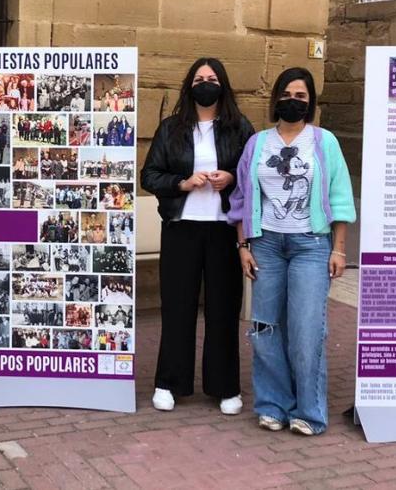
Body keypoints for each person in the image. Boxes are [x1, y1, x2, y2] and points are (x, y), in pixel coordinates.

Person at [228, 67, 356, 436]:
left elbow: (340, 197)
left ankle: (309, 412)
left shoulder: (324, 142)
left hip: (311, 246)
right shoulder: (257, 143)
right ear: (276, 99)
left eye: (301, 96)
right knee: (265, 328)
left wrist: (339, 250)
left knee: (305, 330)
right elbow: (241, 199)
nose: (293, 101)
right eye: (287, 94)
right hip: (266, 244)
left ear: (310, 102)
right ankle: (272, 404)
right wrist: (243, 246)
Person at [141, 57, 254, 416]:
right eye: (199, 78)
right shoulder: (171, 128)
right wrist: (182, 182)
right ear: (189, 85)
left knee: (223, 308)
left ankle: (225, 387)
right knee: (177, 307)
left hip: (223, 229)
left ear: (223, 85)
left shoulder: (239, 128)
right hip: (181, 227)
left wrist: (232, 178)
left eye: (212, 77)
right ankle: (169, 383)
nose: (206, 83)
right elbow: (150, 175)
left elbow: (255, 174)